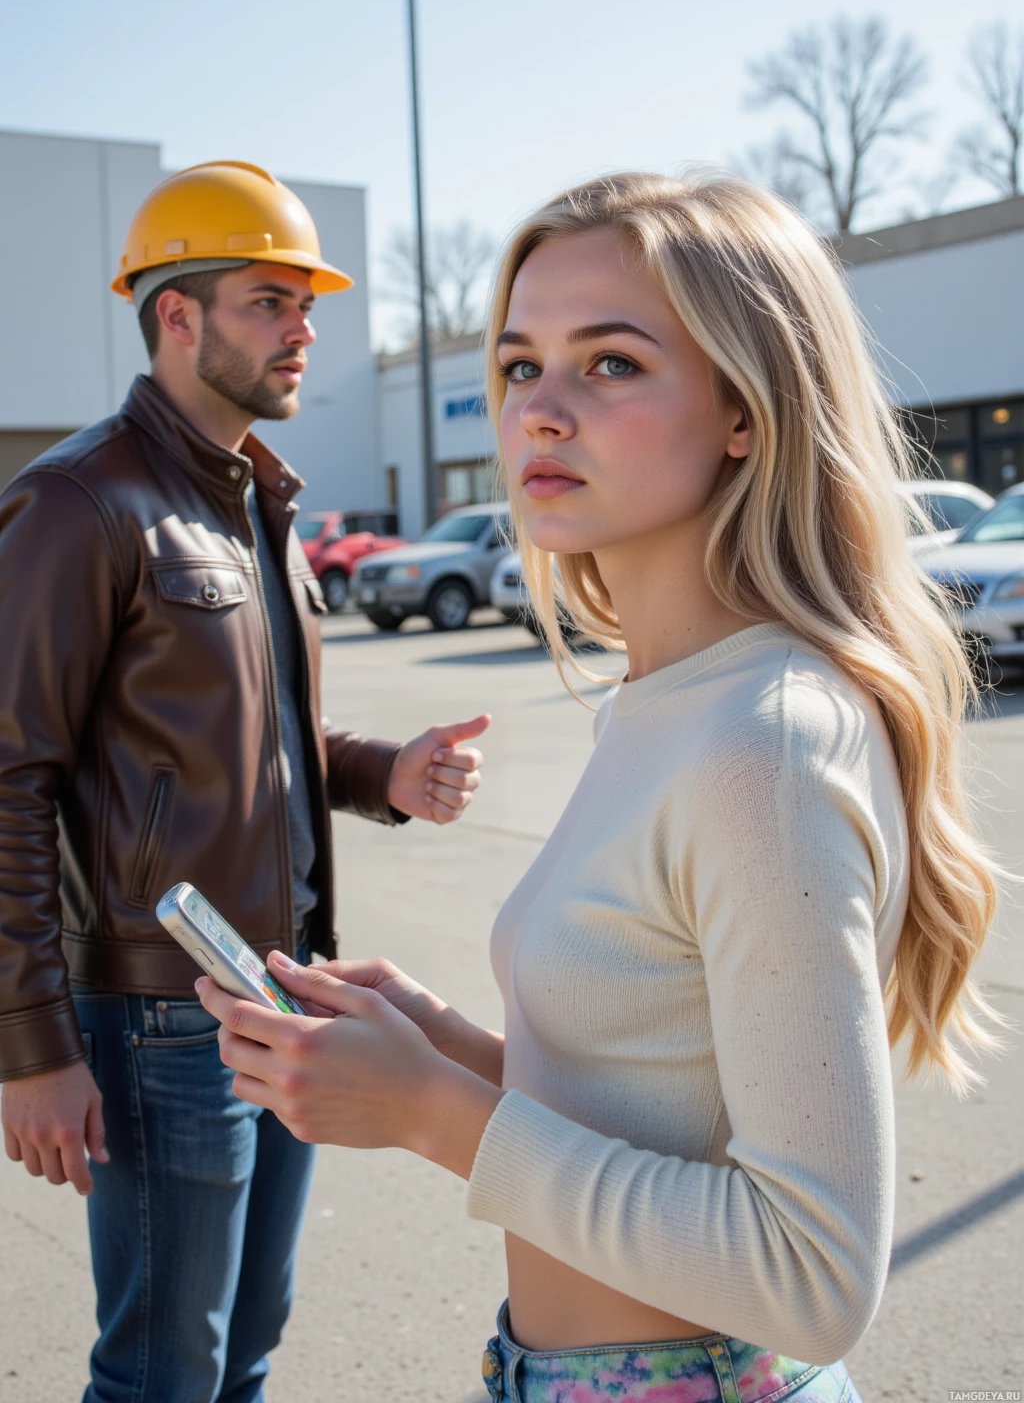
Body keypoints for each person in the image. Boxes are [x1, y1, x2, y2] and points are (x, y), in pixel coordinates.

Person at [196, 172, 1002, 1402]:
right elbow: (652, 1094)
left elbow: (816, 1278)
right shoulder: (663, 700)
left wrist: (429, 1112)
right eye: (520, 367)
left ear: (746, 408)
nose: (540, 414)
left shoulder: (765, 740)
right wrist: (442, 1045)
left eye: (611, 365)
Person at [0, 160, 489, 1403]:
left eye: (306, 302)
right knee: (164, 1371)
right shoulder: (81, 503)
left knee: (246, 1351)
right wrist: (30, 1046)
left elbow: (265, 741)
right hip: (161, 1021)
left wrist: (391, 771)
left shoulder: (254, 504)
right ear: (178, 313)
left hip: (283, 999)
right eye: (271, 299)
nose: (305, 328)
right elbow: (10, 778)